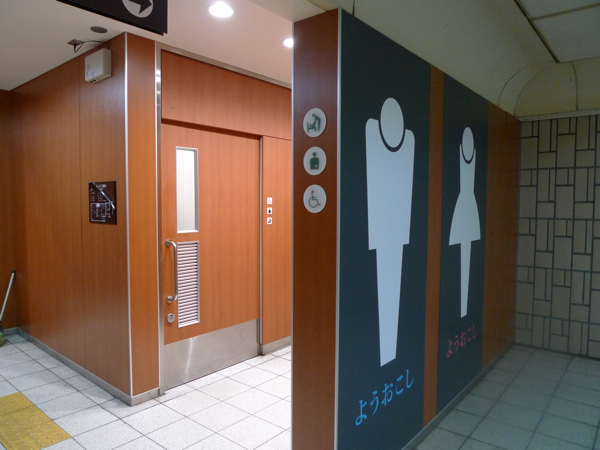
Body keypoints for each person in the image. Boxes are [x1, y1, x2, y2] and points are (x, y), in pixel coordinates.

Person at [365, 98, 415, 366]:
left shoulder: (408, 142)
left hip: (395, 231)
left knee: (392, 292)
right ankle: (387, 353)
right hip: (383, 232)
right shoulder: (372, 132)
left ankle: (389, 352)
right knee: (385, 291)